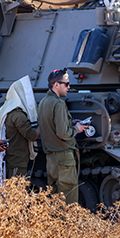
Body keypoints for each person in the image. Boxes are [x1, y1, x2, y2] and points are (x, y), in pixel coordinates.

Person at [37, 68, 86, 204]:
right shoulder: (58, 103)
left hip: (51, 157)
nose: (69, 87)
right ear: (56, 85)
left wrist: (70, 123)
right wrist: (77, 128)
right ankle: (68, 224)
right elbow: (63, 133)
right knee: (68, 196)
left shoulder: (43, 102)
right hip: (63, 156)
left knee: (54, 196)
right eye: (66, 84)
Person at [0, 76, 40, 179]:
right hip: (17, 161)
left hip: (10, 159)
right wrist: (42, 124)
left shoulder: (6, 110)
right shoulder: (18, 115)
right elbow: (32, 135)